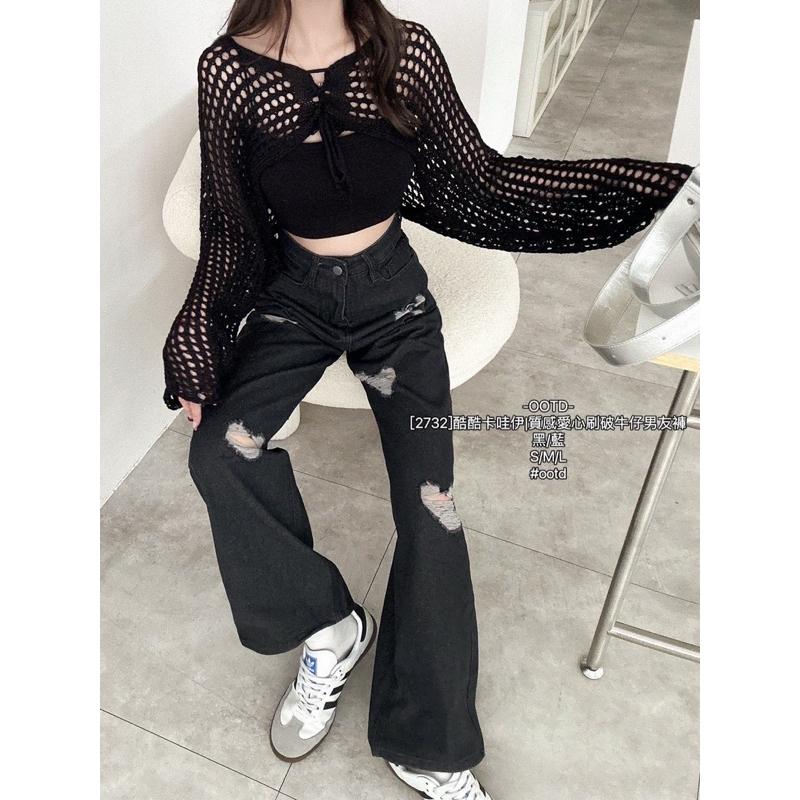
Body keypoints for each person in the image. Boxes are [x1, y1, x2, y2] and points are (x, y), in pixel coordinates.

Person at [161, 2, 695, 797]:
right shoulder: (230, 70)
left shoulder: (402, 52)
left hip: (395, 303)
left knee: (430, 510)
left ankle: (430, 743)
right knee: (218, 453)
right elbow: (231, 226)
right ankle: (331, 627)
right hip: (294, 300)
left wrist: (666, 189)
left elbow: (486, 183)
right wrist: (197, 340)